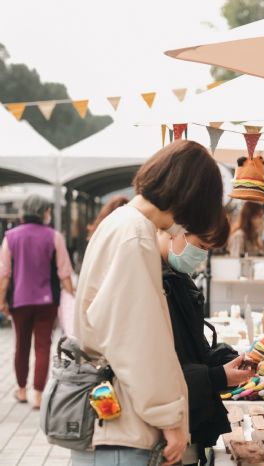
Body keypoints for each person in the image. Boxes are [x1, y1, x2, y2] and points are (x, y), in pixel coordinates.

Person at [72, 140, 225, 466]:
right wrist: (169, 419)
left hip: (115, 414)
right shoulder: (136, 234)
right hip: (130, 427)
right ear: (191, 197)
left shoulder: (120, 223)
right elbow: (137, 338)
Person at [157, 219, 254, 465]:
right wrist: (218, 376)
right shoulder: (156, 285)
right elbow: (161, 372)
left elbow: (192, 350)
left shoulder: (177, 279)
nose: (200, 255)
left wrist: (226, 360)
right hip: (168, 433)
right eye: (199, 245)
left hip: (187, 421)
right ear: (173, 232)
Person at [0, 195, 74, 408]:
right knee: (43, 346)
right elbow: (64, 271)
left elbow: (4, 274)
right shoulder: (54, 236)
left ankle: (22, 391)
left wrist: (1, 299)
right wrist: (72, 296)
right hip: (47, 301)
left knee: (21, 345)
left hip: (19, 301)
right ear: (43, 212)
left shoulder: (10, 237)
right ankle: (39, 395)